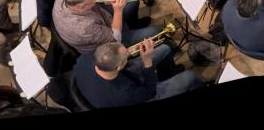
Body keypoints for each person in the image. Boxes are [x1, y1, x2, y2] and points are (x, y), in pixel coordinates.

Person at [73, 41, 202, 108]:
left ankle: (167, 74)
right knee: (189, 76)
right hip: (143, 95)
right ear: (118, 67)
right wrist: (147, 62)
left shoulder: (86, 58)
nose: (129, 54)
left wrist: (124, 53)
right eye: (126, 57)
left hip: (123, 77)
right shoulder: (124, 94)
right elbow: (150, 92)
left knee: (165, 49)